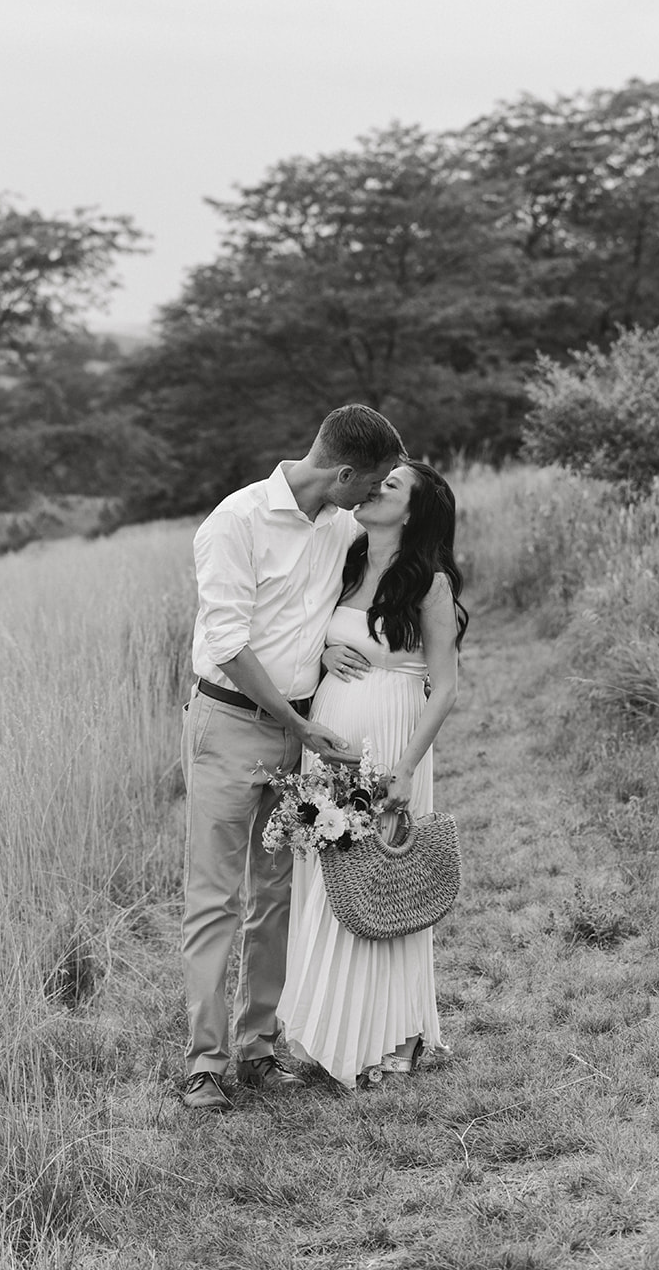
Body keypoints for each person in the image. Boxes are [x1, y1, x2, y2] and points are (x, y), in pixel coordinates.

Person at [180, 404, 406, 1112]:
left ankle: (257, 1046)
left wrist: (329, 653)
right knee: (215, 898)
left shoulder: (340, 526)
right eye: (367, 487)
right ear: (342, 473)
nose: (369, 501)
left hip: (298, 731)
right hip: (229, 722)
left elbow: (321, 611)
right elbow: (228, 643)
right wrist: (298, 727)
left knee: (275, 896)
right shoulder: (234, 522)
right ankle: (205, 1064)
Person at [277, 460, 468, 1092]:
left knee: (385, 878)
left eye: (391, 486)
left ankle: (393, 1034)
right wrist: (327, 652)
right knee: (330, 879)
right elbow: (320, 635)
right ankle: (323, 1029)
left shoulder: (429, 581)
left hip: (392, 741)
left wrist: (408, 767)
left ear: (412, 511)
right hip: (328, 744)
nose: (374, 489)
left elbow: (445, 688)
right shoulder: (350, 561)